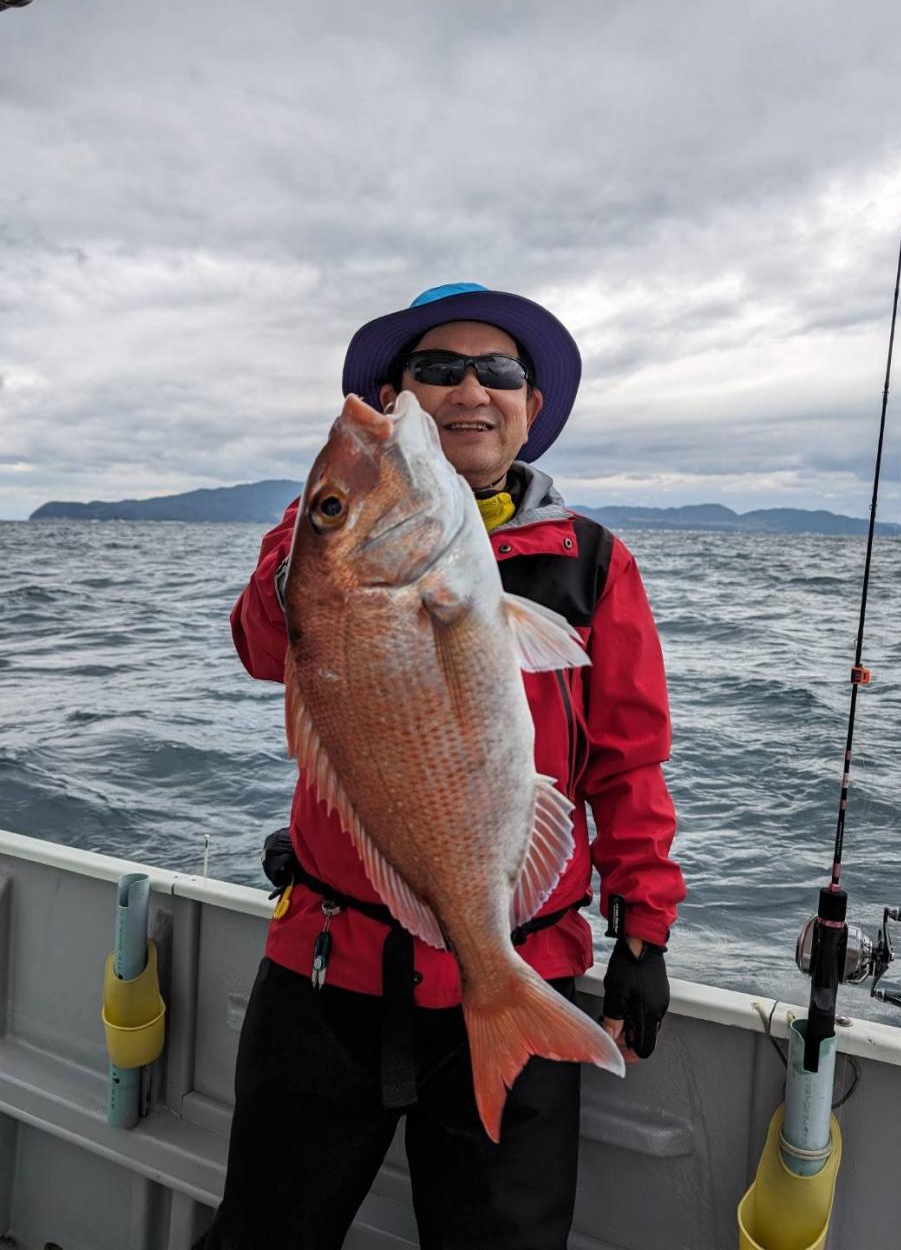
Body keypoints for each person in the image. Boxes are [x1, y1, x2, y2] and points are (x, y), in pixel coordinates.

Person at [199, 283, 685, 1250]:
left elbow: (628, 762)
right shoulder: (319, 550)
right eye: (437, 369)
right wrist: (320, 522)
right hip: (329, 967)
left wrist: (643, 932)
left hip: (524, 956)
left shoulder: (592, 563)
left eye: (497, 370)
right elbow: (261, 646)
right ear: (400, 399)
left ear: (529, 407)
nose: (470, 389)